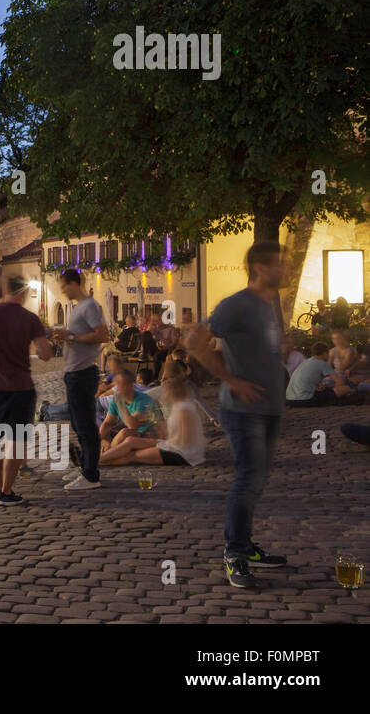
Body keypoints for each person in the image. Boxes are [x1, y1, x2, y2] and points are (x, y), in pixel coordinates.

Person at [187, 241, 289, 590]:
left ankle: (246, 545)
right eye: (280, 263)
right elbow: (195, 342)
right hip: (242, 410)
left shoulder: (267, 305)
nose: (285, 269)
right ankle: (234, 552)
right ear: (260, 267)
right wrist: (230, 379)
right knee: (247, 480)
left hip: (270, 407)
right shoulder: (235, 305)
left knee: (256, 480)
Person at [0, 275, 53, 506]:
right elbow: (45, 354)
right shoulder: (30, 318)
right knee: (17, 438)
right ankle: (6, 491)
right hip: (21, 387)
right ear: (23, 293)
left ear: (5, 290)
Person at [52, 269, 108, 491]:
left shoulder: (90, 306)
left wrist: (72, 336)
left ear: (75, 283)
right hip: (74, 372)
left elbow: (102, 335)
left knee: (85, 424)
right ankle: (85, 467)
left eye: (64, 286)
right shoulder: (79, 308)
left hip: (83, 373)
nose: (62, 290)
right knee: (77, 423)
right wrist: (65, 334)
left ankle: (91, 474)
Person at [100, 361, 205, 467]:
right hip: (171, 445)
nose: (163, 393)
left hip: (182, 454)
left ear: (173, 389)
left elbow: (184, 443)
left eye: (165, 389)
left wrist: (158, 441)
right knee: (130, 441)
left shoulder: (184, 409)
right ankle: (96, 460)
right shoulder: (178, 406)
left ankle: (94, 462)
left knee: (130, 455)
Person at [98, 369, 160, 454]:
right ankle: (96, 451)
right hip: (134, 434)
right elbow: (108, 423)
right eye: (118, 384)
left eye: (124, 384)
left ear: (132, 384)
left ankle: (104, 454)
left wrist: (120, 404)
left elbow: (133, 424)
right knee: (102, 431)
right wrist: (100, 439)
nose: (119, 387)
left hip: (151, 435)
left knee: (124, 433)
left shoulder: (143, 400)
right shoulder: (117, 398)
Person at [285, 342, 361, 407]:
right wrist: (333, 389)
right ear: (324, 353)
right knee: (346, 387)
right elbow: (340, 382)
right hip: (306, 400)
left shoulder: (306, 362)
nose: (329, 356)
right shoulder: (322, 363)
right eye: (328, 353)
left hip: (290, 400)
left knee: (327, 390)